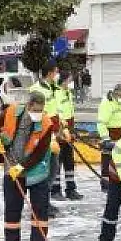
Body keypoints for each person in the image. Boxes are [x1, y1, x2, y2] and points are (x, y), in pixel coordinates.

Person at [0, 93, 58, 241]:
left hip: (37, 170)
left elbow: (40, 152)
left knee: (39, 207)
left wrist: (22, 167)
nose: (38, 113)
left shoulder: (46, 123)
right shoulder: (12, 112)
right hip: (11, 167)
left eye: (41, 110)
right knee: (12, 206)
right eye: (35, 110)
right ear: (28, 106)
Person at [29, 61, 64, 214]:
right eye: (55, 72)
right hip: (43, 135)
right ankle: (40, 204)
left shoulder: (52, 89)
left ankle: (45, 201)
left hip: (53, 133)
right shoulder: (37, 90)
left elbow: (55, 111)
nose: (56, 75)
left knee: (53, 167)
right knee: (44, 168)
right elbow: (36, 114)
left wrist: (62, 127)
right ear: (49, 73)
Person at [49, 71, 81, 201]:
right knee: (57, 162)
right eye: (69, 80)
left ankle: (71, 189)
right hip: (60, 131)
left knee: (69, 161)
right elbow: (56, 113)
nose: (70, 83)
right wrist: (61, 130)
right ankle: (55, 190)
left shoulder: (68, 93)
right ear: (63, 81)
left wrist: (72, 129)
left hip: (69, 129)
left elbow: (70, 112)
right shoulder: (56, 94)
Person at [96, 84, 121, 192]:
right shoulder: (107, 103)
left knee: (118, 161)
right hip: (110, 135)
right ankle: (105, 184)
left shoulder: (118, 103)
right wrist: (106, 139)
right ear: (117, 93)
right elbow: (102, 122)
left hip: (119, 135)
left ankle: (118, 182)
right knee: (107, 160)